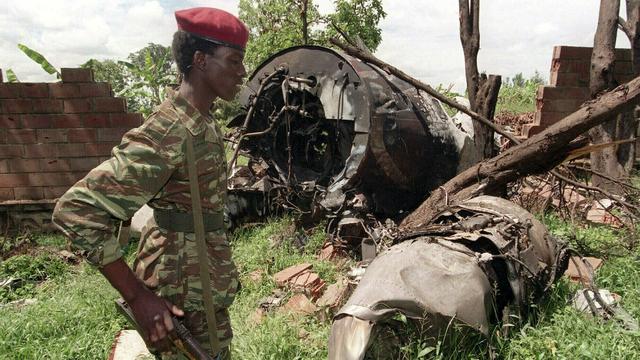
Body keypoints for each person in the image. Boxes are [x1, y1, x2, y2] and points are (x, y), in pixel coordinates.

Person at [52, 7, 248, 359]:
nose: (242, 72)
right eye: (234, 61)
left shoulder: (202, 124)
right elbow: (75, 209)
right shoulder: (169, 131)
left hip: (204, 289)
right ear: (201, 60)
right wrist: (138, 296)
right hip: (179, 297)